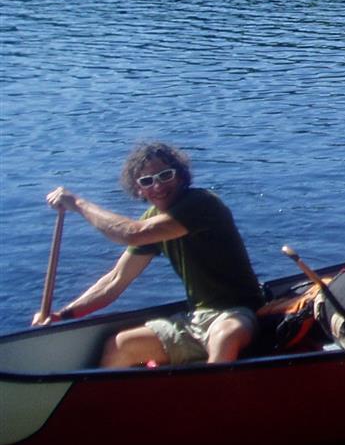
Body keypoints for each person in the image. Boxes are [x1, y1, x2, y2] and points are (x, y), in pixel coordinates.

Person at [33, 141, 264, 368]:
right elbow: (115, 281)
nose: (158, 186)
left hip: (239, 312)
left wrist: (78, 203)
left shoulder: (201, 204)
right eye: (147, 181)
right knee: (120, 345)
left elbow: (131, 233)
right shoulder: (152, 219)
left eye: (165, 175)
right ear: (138, 189)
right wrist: (62, 317)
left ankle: (211, 401)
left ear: (181, 176)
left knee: (226, 335)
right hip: (196, 320)